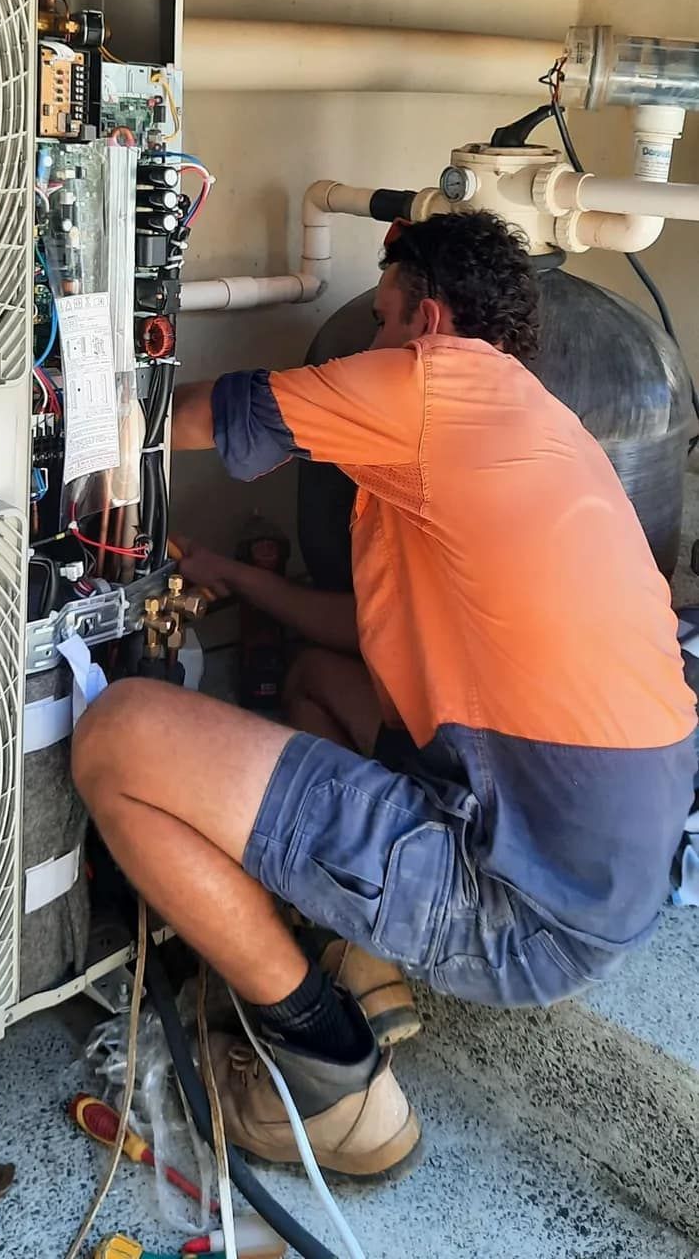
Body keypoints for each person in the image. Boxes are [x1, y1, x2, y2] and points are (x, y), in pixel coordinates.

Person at [73, 210, 697, 1179]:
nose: (364, 344)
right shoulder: (529, 423)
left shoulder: (427, 383)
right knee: (324, 682)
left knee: (120, 737)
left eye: (379, 320)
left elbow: (164, 420)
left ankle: (325, 1072)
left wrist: (50, 400)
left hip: (518, 905)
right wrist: (244, 579)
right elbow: (366, 637)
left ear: (428, 320)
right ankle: (362, 959)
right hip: (599, 876)